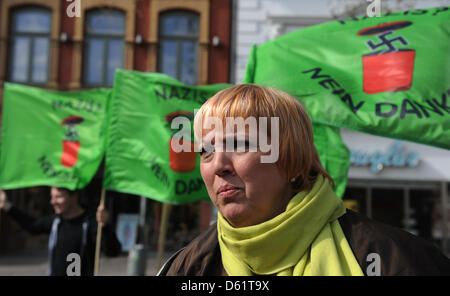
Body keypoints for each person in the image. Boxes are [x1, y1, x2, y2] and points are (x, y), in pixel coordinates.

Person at [158, 84, 450, 276]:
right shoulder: (186, 268)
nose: (218, 165)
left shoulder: (397, 259)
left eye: (239, 144)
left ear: (293, 160)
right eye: (206, 151)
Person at [0, 187, 121, 276]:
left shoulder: (90, 223)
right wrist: (7, 206)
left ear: (74, 196)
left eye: (58, 197)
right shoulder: (56, 222)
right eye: (52, 197)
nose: (53, 202)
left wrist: (105, 226)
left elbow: (113, 251)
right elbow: (33, 226)